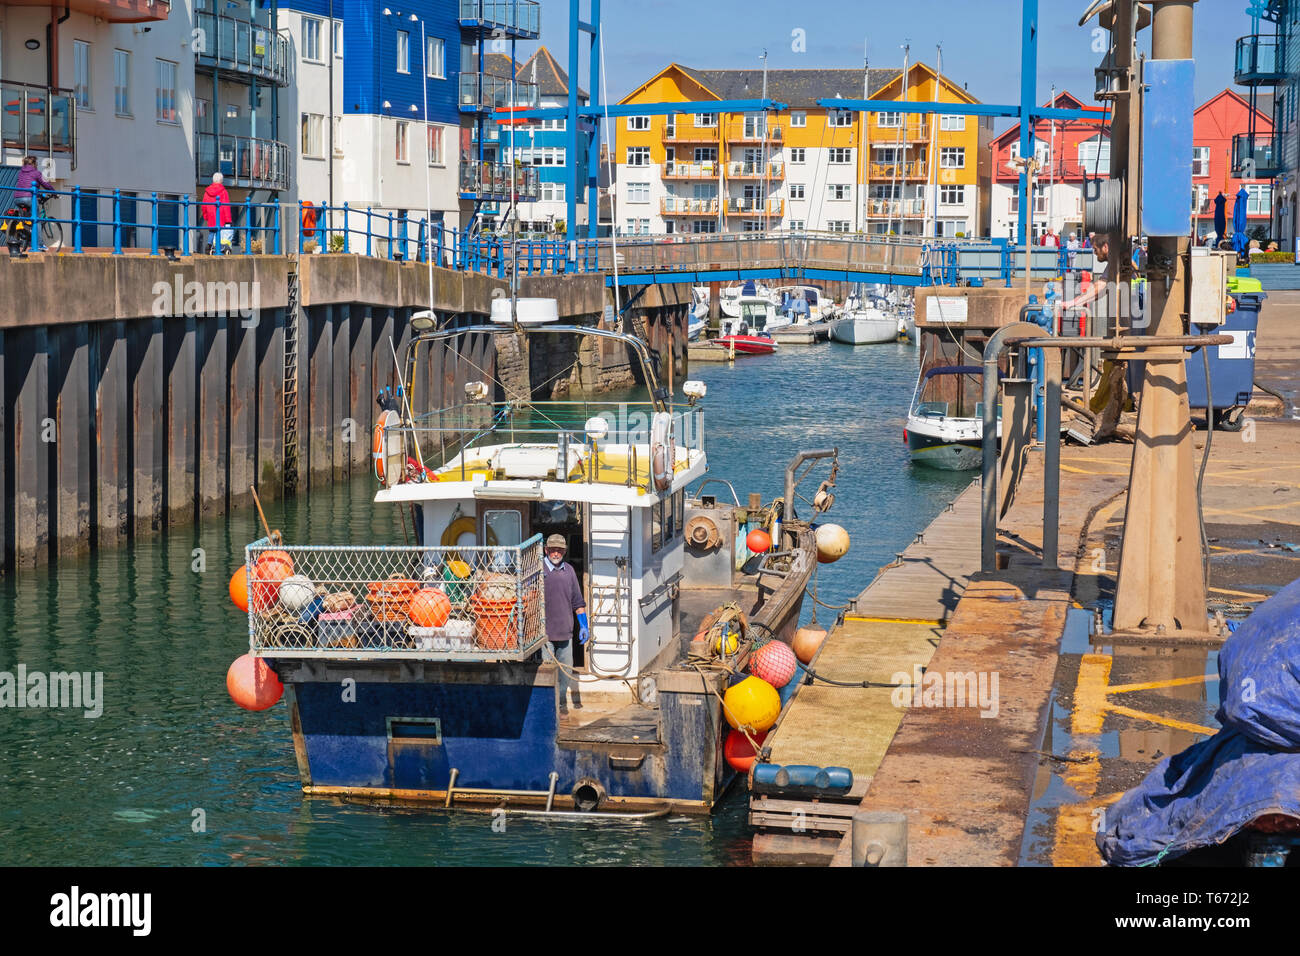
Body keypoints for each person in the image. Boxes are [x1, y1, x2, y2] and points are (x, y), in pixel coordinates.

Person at [541, 533, 588, 716]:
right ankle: (548, 707)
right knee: (547, 673)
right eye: (552, 549)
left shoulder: (569, 571)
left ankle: (561, 703)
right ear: (546, 550)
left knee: (565, 673)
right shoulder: (538, 570)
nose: (556, 553)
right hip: (545, 635)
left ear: (564, 551)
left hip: (566, 633)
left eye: (559, 550)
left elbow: (578, 602)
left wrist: (584, 625)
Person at [200, 172, 232, 254]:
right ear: (221, 181)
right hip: (221, 215)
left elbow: (204, 206)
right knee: (221, 232)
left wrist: (206, 216)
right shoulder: (223, 191)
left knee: (212, 231)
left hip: (211, 215)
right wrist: (228, 220)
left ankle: (209, 245)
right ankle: (221, 247)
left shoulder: (207, 192)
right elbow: (226, 206)